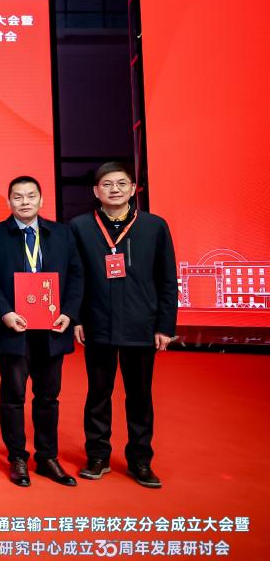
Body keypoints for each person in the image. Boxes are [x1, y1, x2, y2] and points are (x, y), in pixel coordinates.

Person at [70, 161, 177, 489]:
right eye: (106, 184)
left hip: (140, 325)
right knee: (98, 393)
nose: (114, 189)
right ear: (95, 191)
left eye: (120, 183)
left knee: (140, 395)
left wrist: (164, 326)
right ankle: (97, 455)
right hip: (97, 323)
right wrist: (76, 318)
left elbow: (167, 279)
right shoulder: (80, 227)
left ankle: (140, 459)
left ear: (133, 189)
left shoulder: (154, 226)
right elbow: (74, 278)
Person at [0, 176, 84, 487]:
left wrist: (68, 313)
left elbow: (77, 275)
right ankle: (18, 458)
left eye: (30, 196)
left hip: (53, 328)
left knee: (48, 396)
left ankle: (47, 457)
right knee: (13, 396)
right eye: (18, 197)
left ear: (41, 200)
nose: (24, 202)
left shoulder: (62, 233)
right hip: (15, 328)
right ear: (8, 201)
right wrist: (5, 313)